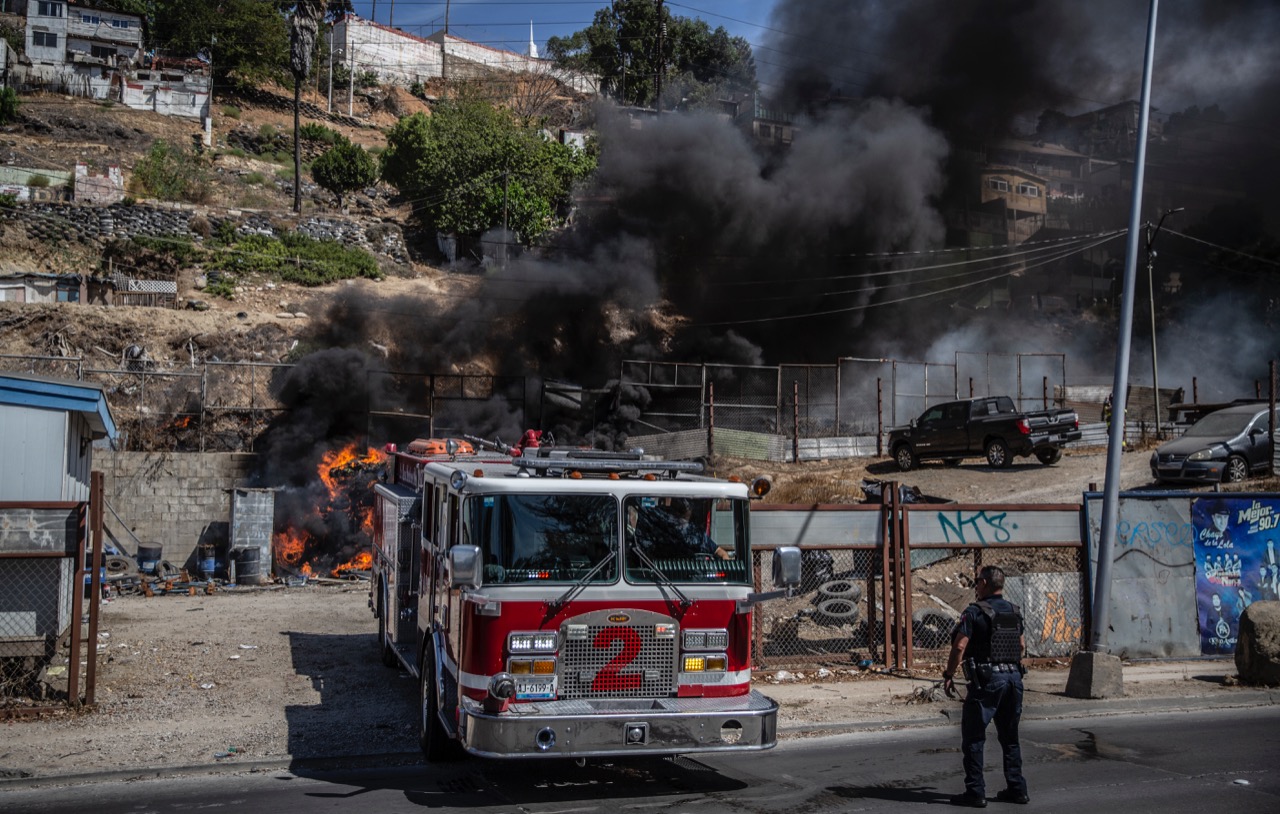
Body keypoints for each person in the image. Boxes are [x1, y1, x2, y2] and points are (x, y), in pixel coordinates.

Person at [942, 566, 1029, 807]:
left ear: (984, 583)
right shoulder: (1014, 611)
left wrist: (948, 674)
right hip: (1014, 679)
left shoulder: (974, 612)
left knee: (974, 738)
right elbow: (1021, 646)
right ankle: (1017, 789)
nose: (975, 586)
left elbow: (960, 646)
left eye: (977, 581)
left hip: (988, 681)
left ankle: (976, 792)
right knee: (1010, 739)